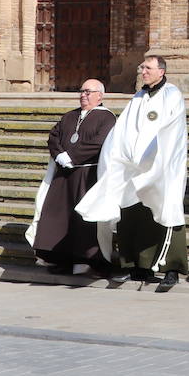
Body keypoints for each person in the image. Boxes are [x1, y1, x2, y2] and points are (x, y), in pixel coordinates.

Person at [76, 56, 189, 288]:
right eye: (142, 67)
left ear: (161, 71)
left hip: (162, 165)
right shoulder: (138, 97)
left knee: (166, 210)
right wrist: (119, 156)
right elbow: (123, 129)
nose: (143, 71)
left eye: (147, 68)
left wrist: (152, 159)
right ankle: (136, 266)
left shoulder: (171, 95)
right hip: (133, 166)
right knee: (132, 211)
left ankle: (171, 269)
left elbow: (172, 130)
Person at [29, 78, 116, 275]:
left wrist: (73, 156)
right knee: (59, 217)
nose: (83, 95)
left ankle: (86, 259)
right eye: (81, 91)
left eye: (88, 91)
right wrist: (59, 154)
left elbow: (100, 142)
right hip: (64, 174)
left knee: (83, 220)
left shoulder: (107, 118)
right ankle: (61, 258)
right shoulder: (70, 116)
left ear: (100, 95)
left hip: (88, 174)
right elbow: (54, 136)